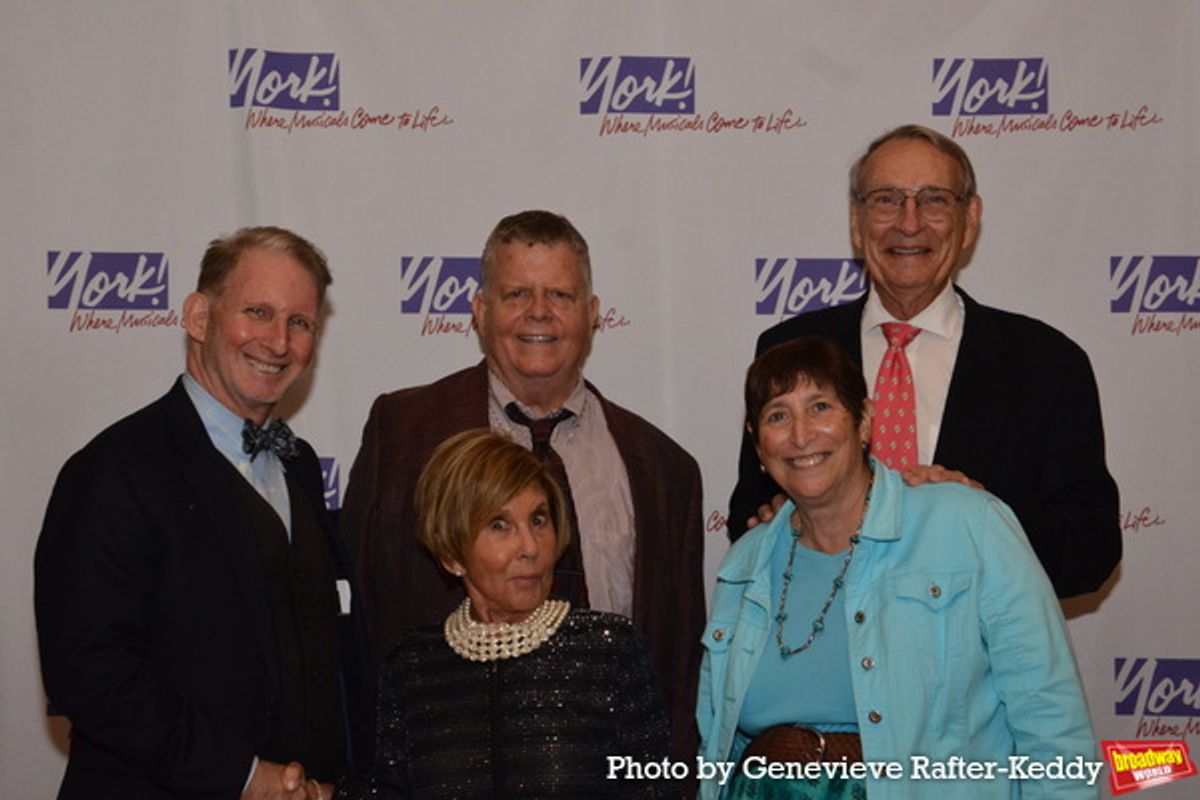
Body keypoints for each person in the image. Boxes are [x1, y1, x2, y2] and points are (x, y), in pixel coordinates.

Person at [340, 209, 704, 760]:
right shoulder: (402, 434)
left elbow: (679, 667)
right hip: (444, 773)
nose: (539, 313)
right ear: (480, 311)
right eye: (516, 294)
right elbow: (365, 623)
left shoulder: (664, 468)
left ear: (592, 314)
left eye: (559, 295)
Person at [35, 227, 371, 800]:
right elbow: (89, 674)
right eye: (258, 312)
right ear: (198, 317)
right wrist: (243, 777)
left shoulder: (300, 466)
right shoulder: (113, 470)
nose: (278, 341)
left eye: (301, 323)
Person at [729, 124, 1120, 599]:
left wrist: (983, 520)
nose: (909, 223)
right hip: (823, 648)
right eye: (886, 200)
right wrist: (779, 522)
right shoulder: (788, 348)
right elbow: (748, 513)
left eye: (934, 200)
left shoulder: (1047, 364)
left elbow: (1091, 549)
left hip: (977, 662)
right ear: (857, 222)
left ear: (970, 219)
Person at [698, 337, 1098, 800]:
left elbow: (1052, 722)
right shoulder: (745, 564)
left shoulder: (968, 524)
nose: (801, 435)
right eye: (778, 416)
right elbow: (718, 741)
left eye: (821, 407)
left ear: (864, 421)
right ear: (757, 442)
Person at [338, 428, 679, 799]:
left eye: (538, 519)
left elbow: (655, 790)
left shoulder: (609, 651)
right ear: (451, 555)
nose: (530, 547)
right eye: (499, 525)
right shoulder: (413, 665)